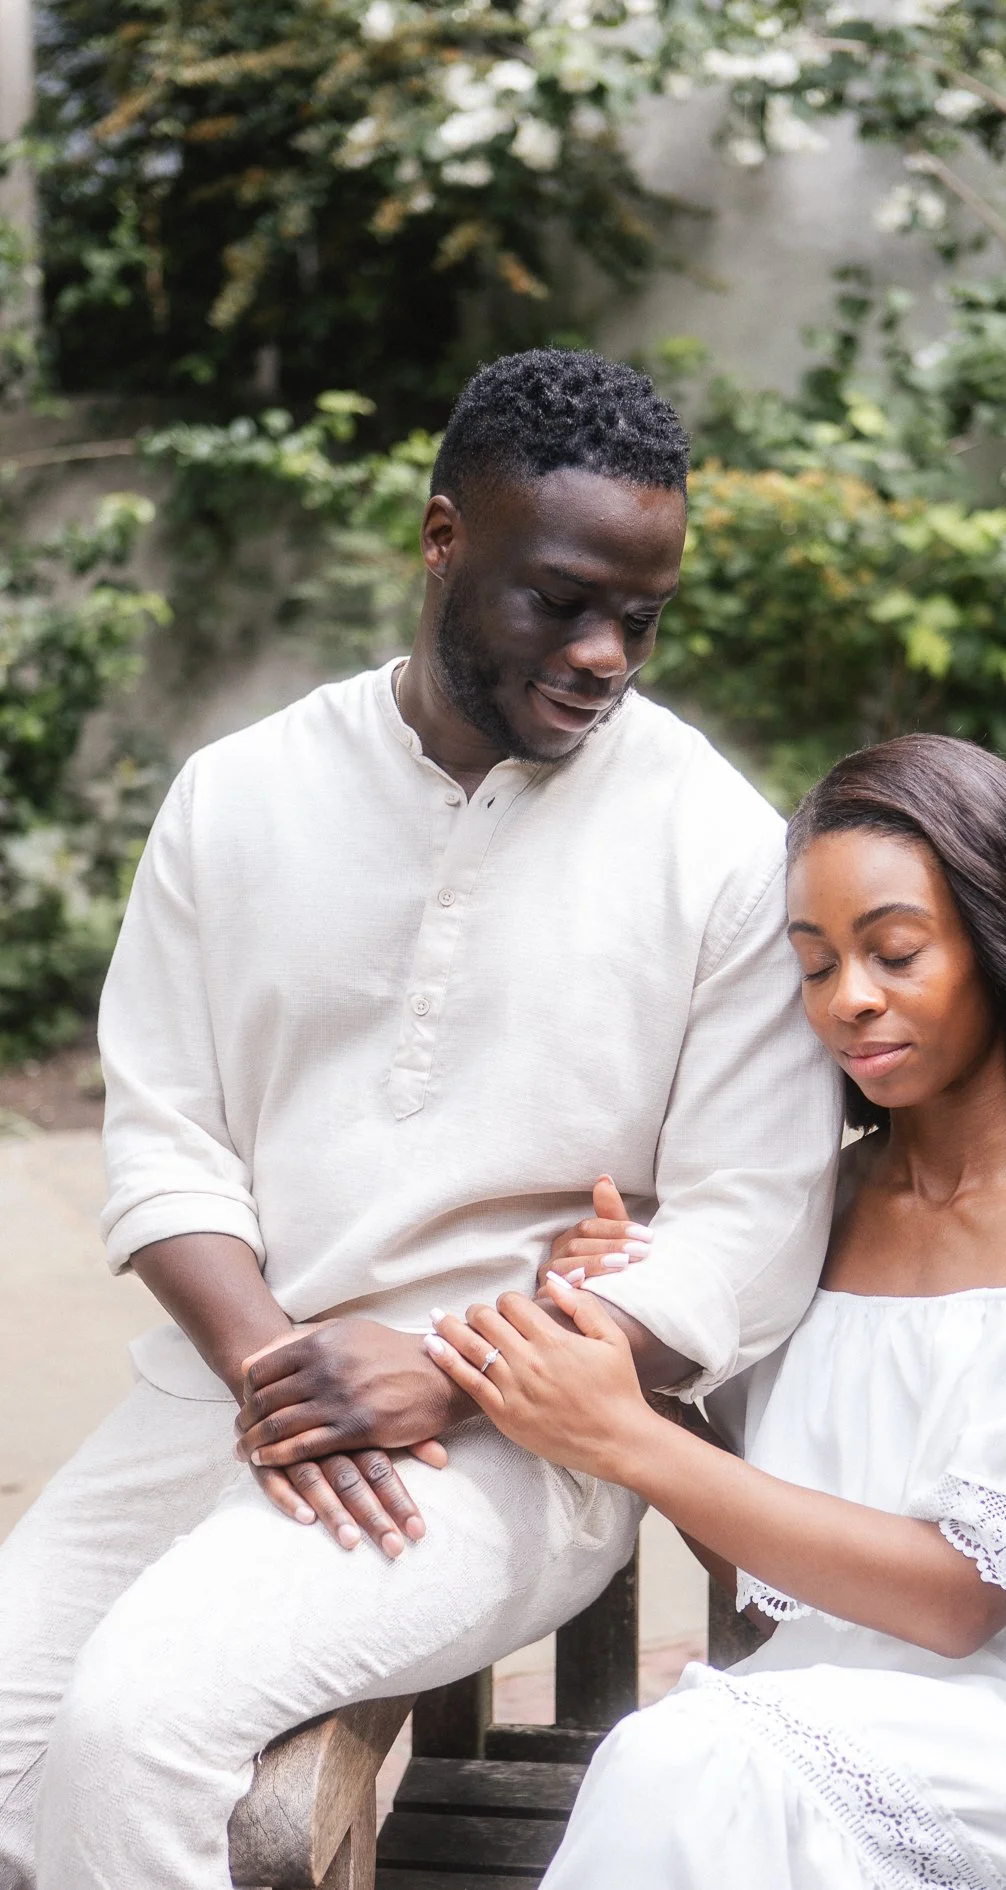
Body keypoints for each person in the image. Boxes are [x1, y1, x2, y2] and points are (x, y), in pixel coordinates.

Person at [0, 348, 841, 1890]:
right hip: (225, 1384)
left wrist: (444, 1372)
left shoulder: (720, 846)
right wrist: (275, 1370)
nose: (604, 654)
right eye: (560, 600)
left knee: (138, 1732)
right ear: (444, 536)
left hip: (520, 1440)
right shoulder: (237, 795)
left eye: (642, 618)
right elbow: (166, 1139)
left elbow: (750, 1222)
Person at [426, 733, 1006, 1890]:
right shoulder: (813, 1212)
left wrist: (621, 1435)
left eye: (895, 952)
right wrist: (630, 1366)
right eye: (815, 966)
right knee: (695, 1770)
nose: (850, 1001)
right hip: (808, 1722)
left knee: (686, 1765)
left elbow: (957, 1605)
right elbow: (769, 1588)